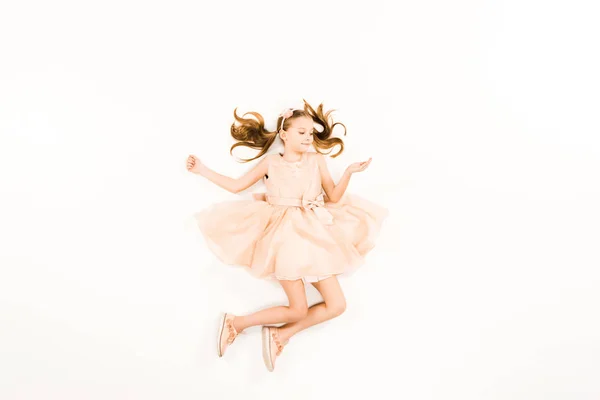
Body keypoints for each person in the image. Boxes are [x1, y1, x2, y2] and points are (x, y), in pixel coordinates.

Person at [186, 100, 388, 371]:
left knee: (337, 305)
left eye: (310, 133)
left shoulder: (317, 160)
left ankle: (280, 335)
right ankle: (236, 323)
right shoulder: (271, 162)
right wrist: (202, 170)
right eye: (301, 132)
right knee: (297, 309)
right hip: (285, 237)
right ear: (284, 134)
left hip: (316, 234)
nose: (307, 137)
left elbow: (335, 197)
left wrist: (349, 172)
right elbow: (236, 187)